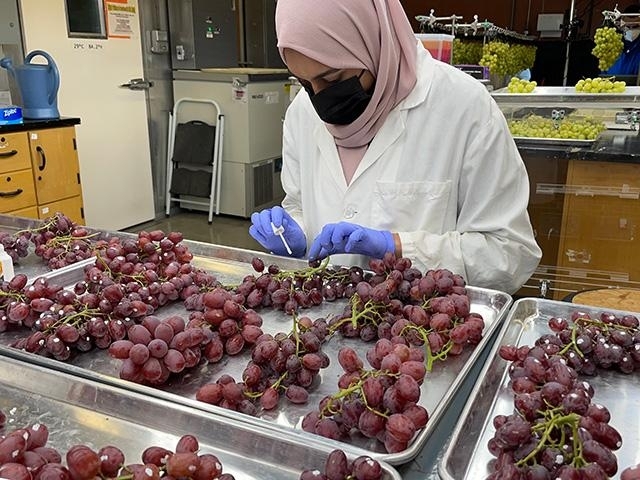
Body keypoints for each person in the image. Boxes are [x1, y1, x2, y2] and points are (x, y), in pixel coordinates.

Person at [248, 0, 542, 294]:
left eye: (332, 78)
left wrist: (398, 247)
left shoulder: (464, 108)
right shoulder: (303, 111)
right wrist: (294, 231)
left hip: (418, 328)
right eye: (305, 82)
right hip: (326, 321)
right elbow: (300, 204)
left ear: (371, 42)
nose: (321, 98)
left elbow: (509, 252)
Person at [607, 4, 640, 76]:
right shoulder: (613, 45)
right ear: (622, 26)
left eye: (635, 27)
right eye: (628, 26)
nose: (631, 30)